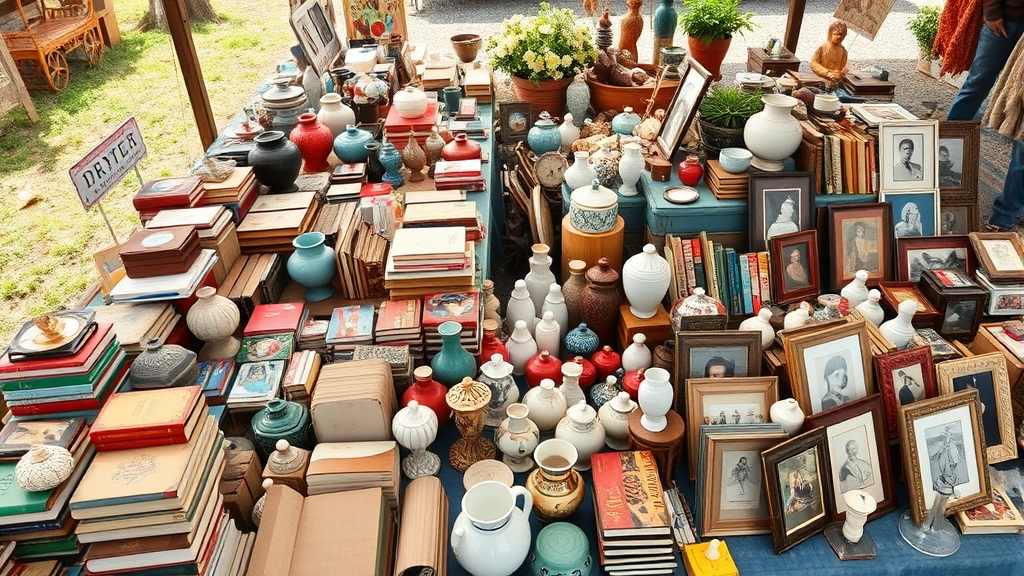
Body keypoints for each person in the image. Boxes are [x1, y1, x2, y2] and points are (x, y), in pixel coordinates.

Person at [946, 0, 1023, 231]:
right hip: (1005, 18)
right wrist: (991, 11)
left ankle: (1005, 215)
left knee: (1022, 127)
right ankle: (941, 161)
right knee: (975, 86)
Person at [810, 21, 849, 89]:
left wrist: (840, 73)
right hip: (821, 81)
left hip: (835, 82)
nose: (840, 37)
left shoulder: (844, 51)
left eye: (843, 35)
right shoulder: (822, 48)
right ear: (830, 33)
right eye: (837, 34)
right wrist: (827, 73)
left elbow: (843, 68)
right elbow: (814, 64)